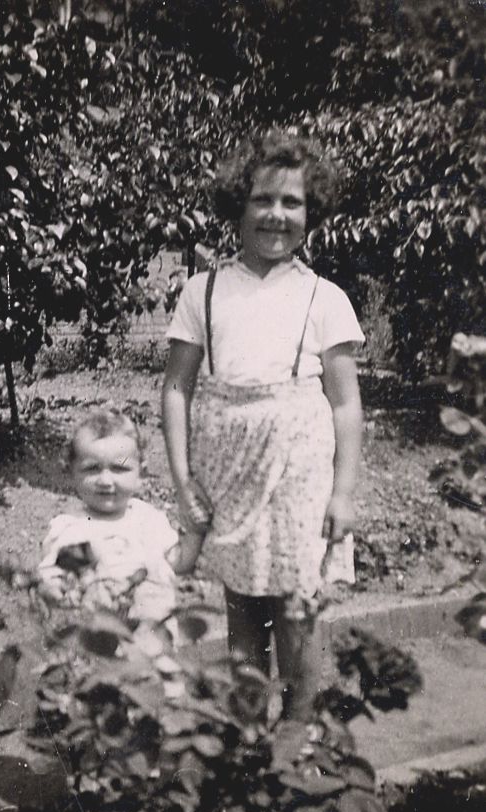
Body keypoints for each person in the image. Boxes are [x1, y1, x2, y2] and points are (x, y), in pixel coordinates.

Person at [162, 131, 364, 720]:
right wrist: (183, 481)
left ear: (310, 212)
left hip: (300, 476)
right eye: (262, 200)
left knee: (297, 612)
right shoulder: (203, 290)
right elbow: (176, 388)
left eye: (292, 202)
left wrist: (344, 492)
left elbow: (346, 404)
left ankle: (297, 739)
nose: (276, 214)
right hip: (229, 472)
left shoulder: (324, 297)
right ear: (238, 206)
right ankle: (248, 737)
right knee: (244, 610)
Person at [37, 406, 200, 640]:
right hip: (98, 644)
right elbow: (52, 583)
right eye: (92, 469)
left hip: (153, 640)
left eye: (119, 468)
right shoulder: (72, 528)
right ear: (71, 472)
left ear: (140, 472)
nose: (105, 480)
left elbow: (179, 562)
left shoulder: (149, 519)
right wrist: (56, 590)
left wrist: (195, 532)